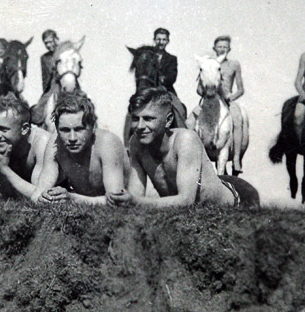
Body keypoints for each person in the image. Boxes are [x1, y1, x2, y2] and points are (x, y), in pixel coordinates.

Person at [109, 87, 260, 208]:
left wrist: (135, 201)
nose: (140, 126)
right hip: (208, 188)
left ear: (168, 121)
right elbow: (135, 195)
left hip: (239, 197)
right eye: (135, 119)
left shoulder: (185, 140)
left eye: (148, 119)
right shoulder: (136, 142)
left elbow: (185, 201)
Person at [30, 92, 130, 204]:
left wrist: (72, 198)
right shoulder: (55, 142)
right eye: (65, 130)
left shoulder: (107, 143)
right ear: (57, 129)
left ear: (93, 127)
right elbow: (38, 194)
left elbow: (116, 201)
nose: (72, 138)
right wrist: (44, 198)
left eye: (79, 129)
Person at [193, 36, 246, 173]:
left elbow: (241, 89)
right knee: (190, 121)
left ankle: (236, 159)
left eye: (225, 47)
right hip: (209, 100)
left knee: (237, 119)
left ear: (229, 49)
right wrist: (205, 93)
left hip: (227, 100)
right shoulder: (207, 63)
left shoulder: (234, 64)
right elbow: (199, 88)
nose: (222, 49)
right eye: (219, 46)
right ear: (214, 48)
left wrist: (231, 97)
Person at [0, 94, 52, 199]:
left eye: (3, 129)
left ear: (24, 129)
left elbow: (40, 195)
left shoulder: (42, 142)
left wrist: (3, 168)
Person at [152, 27, 188, 125]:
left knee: (179, 108)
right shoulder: (147, 56)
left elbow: (172, 76)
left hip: (166, 90)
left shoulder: (171, 59)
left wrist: (163, 79)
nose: (161, 42)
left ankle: (180, 130)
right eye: (158, 39)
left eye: (164, 39)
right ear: (154, 40)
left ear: (167, 41)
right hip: (149, 88)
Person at [40, 29, 59, 95]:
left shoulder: (65, 53)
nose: (48, 45)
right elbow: (45, 80)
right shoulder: (44, 58)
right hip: (52, 92)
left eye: (50, 42)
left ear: (56, 40)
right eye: (46, 43)